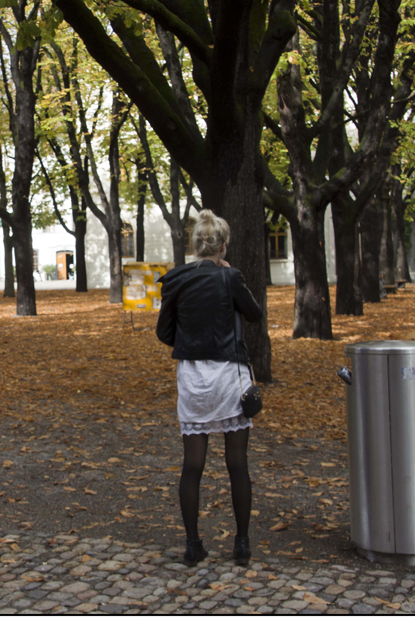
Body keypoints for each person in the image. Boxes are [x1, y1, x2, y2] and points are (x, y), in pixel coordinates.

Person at [156, 209, 263, 567]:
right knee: (237, 464)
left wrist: (187, 342)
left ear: (196, 245)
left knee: (192, 465)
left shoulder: (175, 279)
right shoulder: (230, 277)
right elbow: (254, 313)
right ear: (222, 244)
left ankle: (192, 544)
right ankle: (242, 544)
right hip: (228, 374)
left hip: (193, 377)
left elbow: (163, 332)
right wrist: (231, 276)